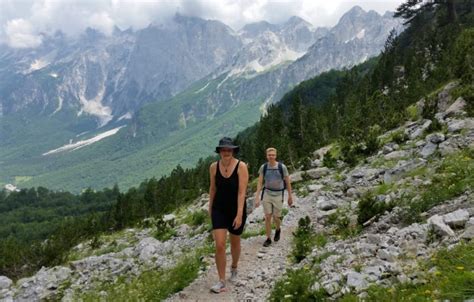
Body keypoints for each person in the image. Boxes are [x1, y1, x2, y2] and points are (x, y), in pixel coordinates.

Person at [208, 137, 249, 293]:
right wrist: (210, 207)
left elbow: (241, 192)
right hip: (219, 208)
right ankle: (221, 280)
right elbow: (212, 188)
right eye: (223, 149)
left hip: (235, 209)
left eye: (229, 150)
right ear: (219, 151)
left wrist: (239, 214)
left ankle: (234, 267)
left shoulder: (241, 166)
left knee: (235, 241)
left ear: (233, 151)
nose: (226, 152)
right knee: (219, 244)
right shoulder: (213, 167)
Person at [255, 147, 293, 247]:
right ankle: (268, 238)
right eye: (269, 155)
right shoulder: (264, 167)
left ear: (275, 156)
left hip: (278, 194)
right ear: (266, 156)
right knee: (267, 216)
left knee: (277, 217)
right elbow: (259, 182)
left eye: (273, 155)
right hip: (267, 193)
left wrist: (290, 196)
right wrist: (257, 196)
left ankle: (278, 229)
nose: (271, 157)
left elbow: (287, 182)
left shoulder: (282, 167)